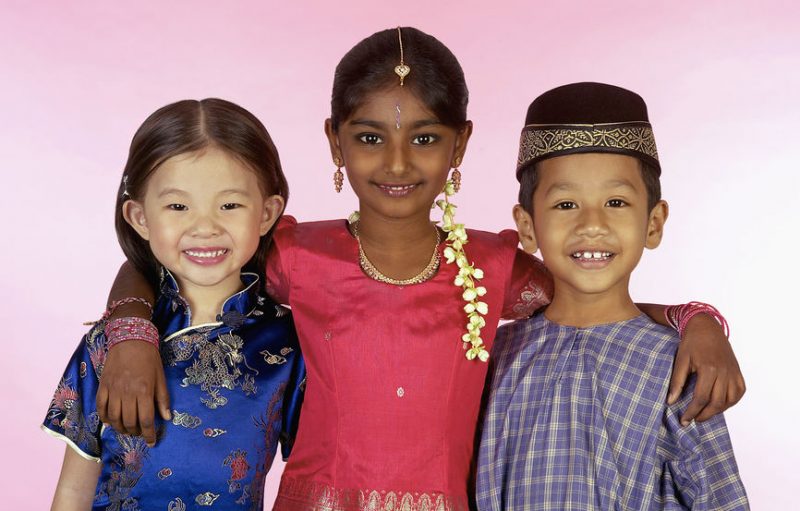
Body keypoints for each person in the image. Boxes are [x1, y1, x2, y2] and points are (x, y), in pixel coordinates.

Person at [95, 29, 743, 510]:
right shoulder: (298, 253)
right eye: (371, 136)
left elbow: (596, 306)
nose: (398, 163)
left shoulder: (490, 267)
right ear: (335, 141)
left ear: (459, 144)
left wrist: (698, 321)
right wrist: (129, 334)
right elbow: (173, 259)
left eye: (425, 138)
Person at [476, 82, 749, 510]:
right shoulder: (493, 358)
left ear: (654, 222)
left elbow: (718, 500)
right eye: (566, 205)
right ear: (527, 226)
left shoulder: (678, 368)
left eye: (616, 202)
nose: (592, 224)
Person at [42, 98, 305, 510]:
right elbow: (74, 489)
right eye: (178, 206)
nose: (205, 226)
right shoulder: (108, 342)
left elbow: (310, 479)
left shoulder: (291, 345)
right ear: (140, 217)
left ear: (268, 213)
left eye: (230, 205)